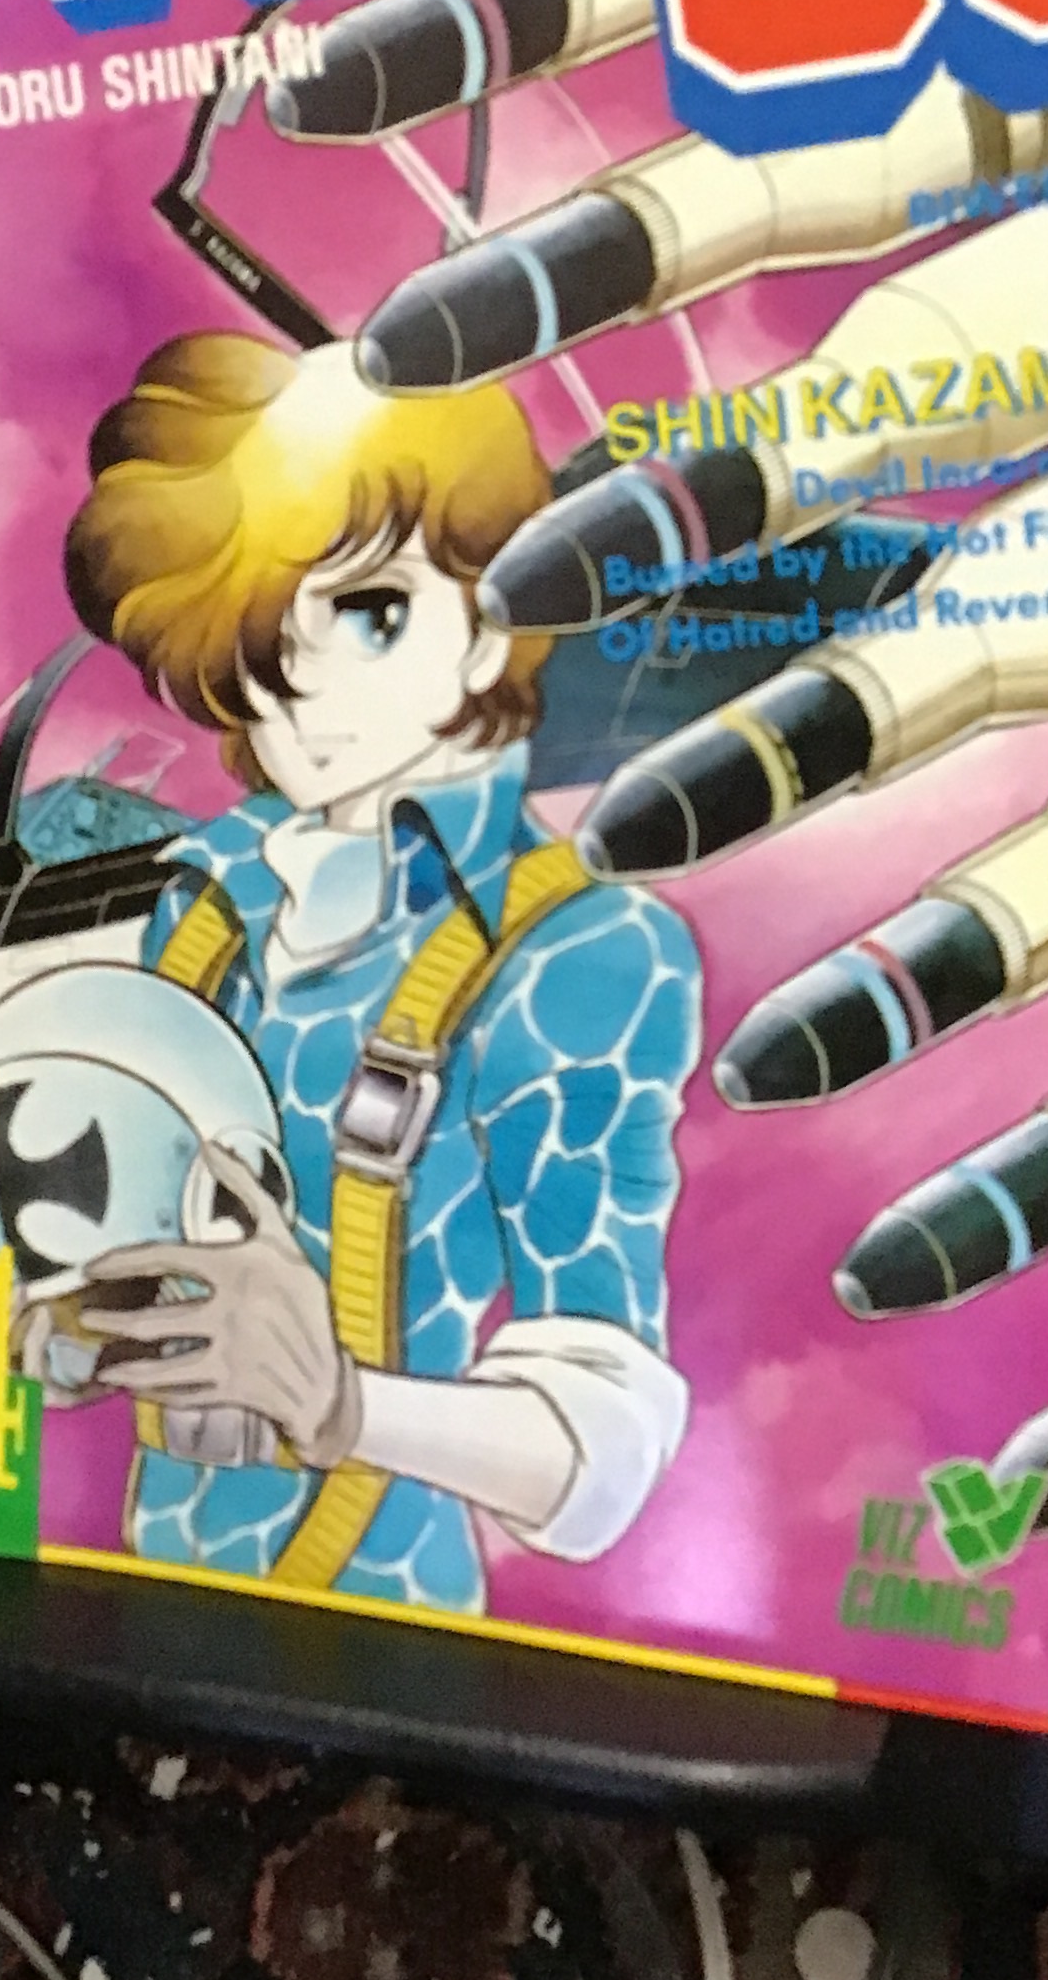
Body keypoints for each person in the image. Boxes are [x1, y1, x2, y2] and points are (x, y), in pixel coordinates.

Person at [37, 328, 702, 1613]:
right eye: (257, 655)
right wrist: (69, 1327)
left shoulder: (577, 953)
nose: (311, 696)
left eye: (373, 614)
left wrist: (340, 1404)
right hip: (145, 1607)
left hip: (391, 1627)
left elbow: (603, 1448)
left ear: (491, 621)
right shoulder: (205, 900)